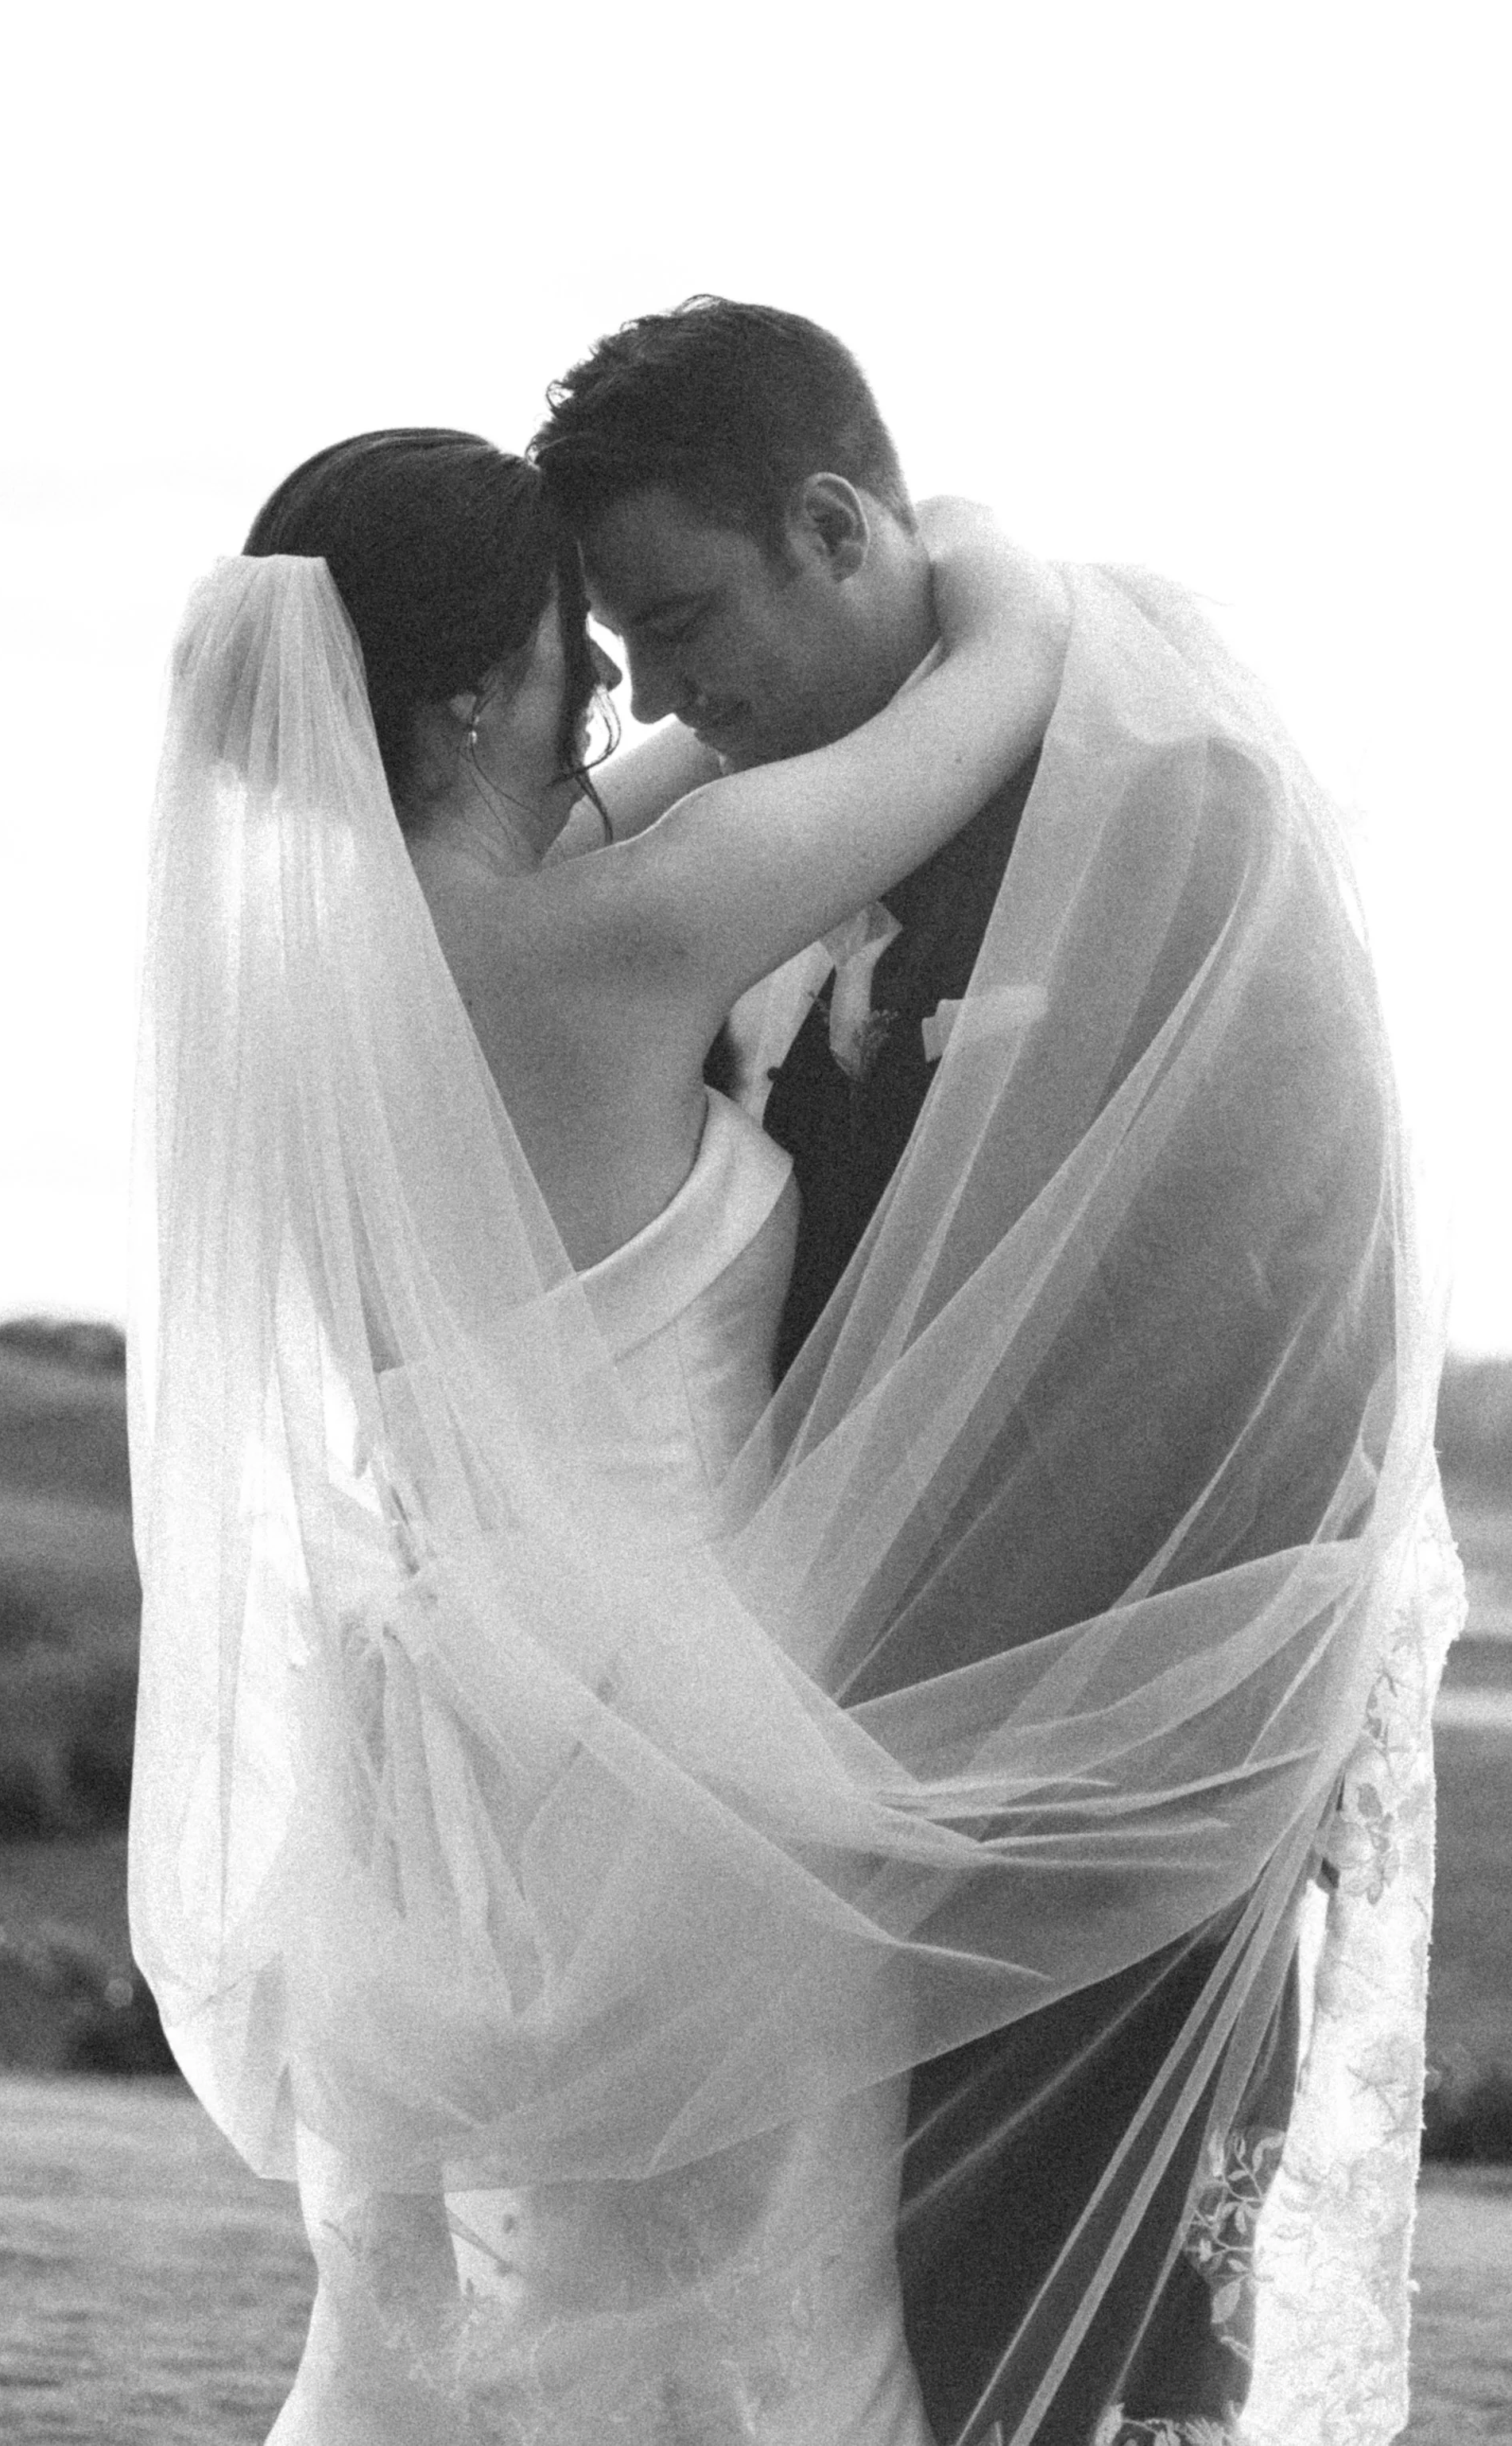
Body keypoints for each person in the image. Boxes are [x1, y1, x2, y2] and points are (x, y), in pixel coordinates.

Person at [127, 414, 1451, 2446]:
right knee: (778, 2345)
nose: (621, 690)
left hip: (439, 1769)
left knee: (513, 2317)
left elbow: (667, 780)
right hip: (678, 1777)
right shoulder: (618, 937)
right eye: (584, 640)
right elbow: (988, 688)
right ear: (479, 690)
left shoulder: (303, 991)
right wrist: (966, 536)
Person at [532, 296, 1464, 2445]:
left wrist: (1129, 1723)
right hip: (822, 1760)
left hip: (1114, 1728)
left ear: (837, 524)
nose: (660, 694)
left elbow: (1289, 1284)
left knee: (1102, 2331)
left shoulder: (1179, 798)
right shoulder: (793, 821)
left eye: (681, 616)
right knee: (876, 2320)